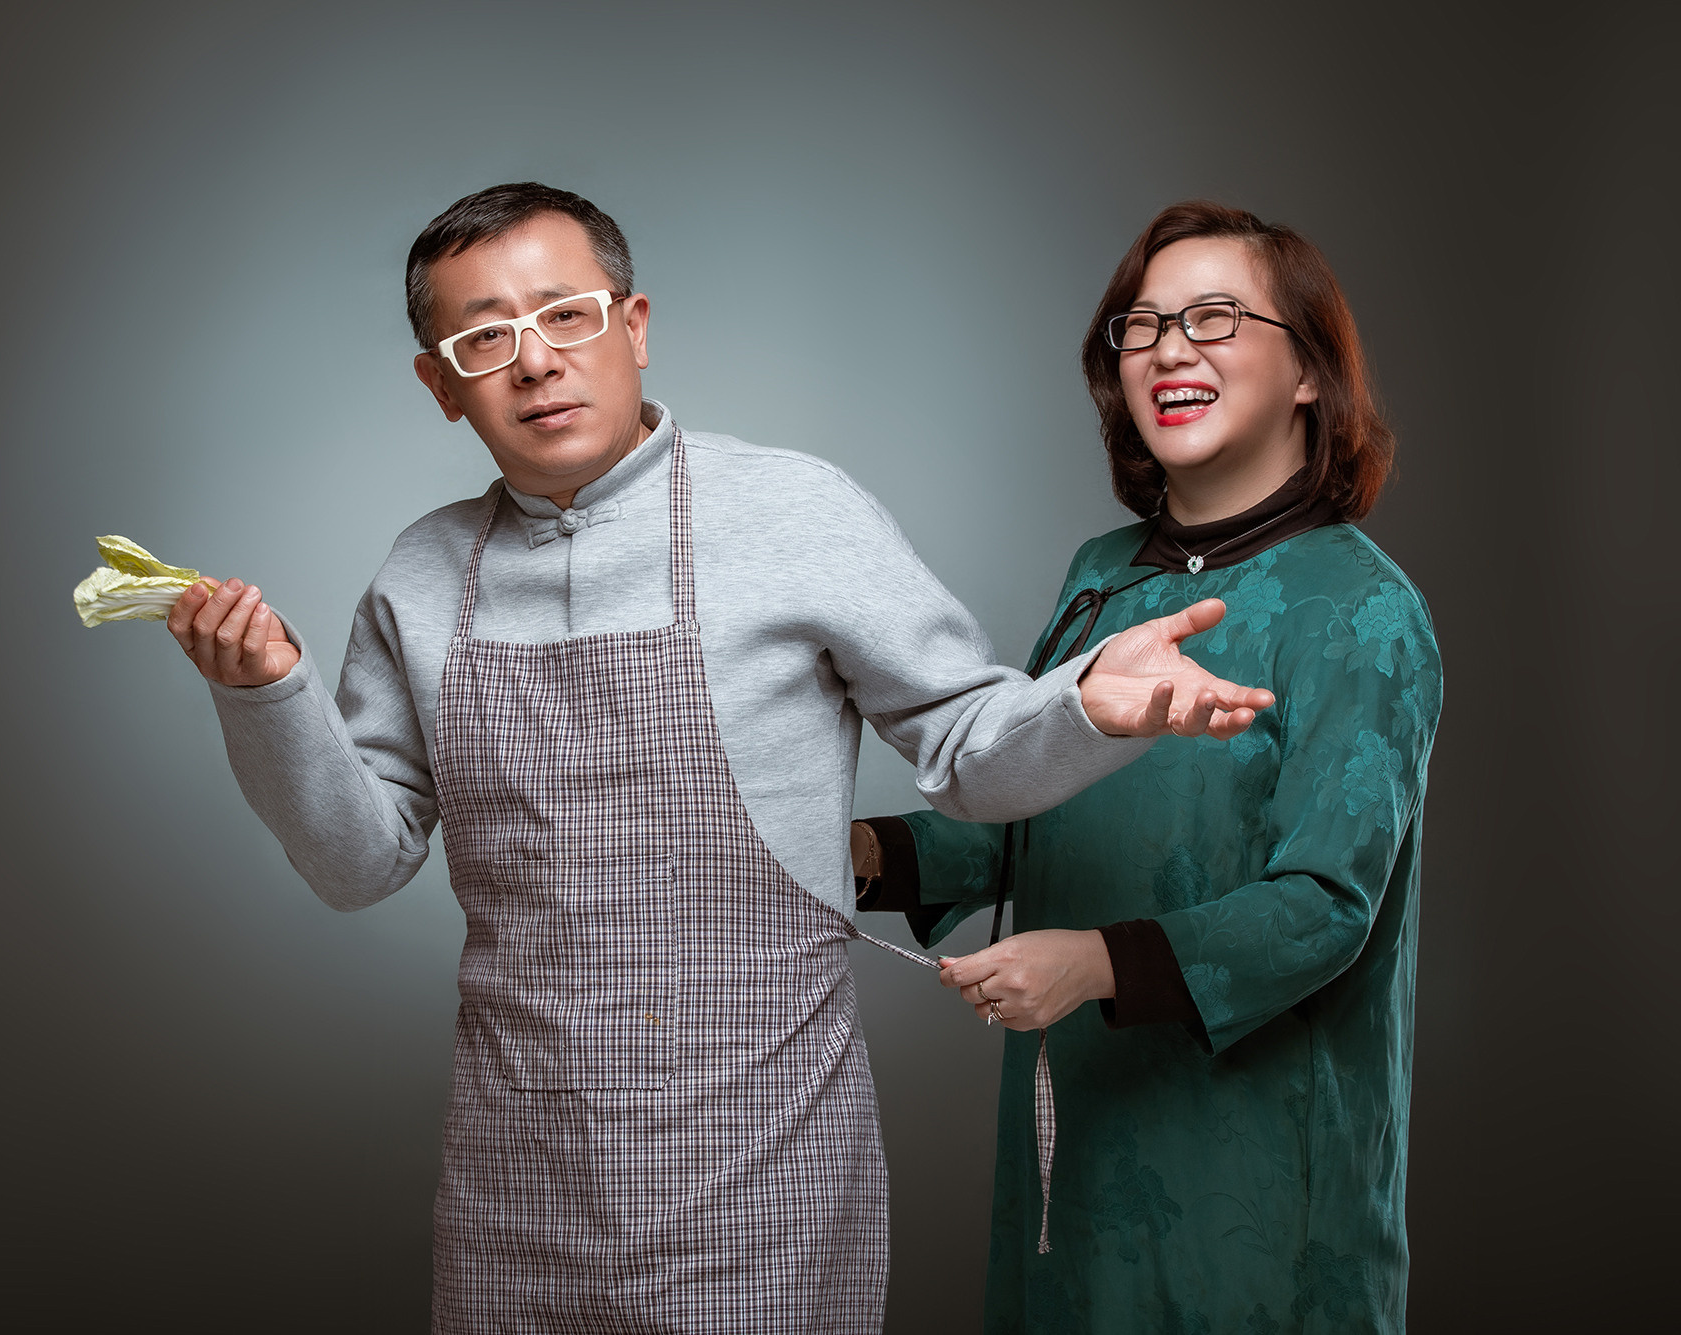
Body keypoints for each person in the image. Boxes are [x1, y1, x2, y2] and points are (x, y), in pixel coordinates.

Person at [163, 183, 1273, 1333]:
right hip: (516, 1177)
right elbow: (360, 862)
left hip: (757, 1169)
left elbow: (964, 752)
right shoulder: (420, 574)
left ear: (632, 325)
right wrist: (266, 696)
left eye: (566, 316)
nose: (535, 362)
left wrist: (1088, 706)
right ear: (439, 385)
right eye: (484, 337)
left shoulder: (793, 512)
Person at [852, 201, 1441, 1332]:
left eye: (1214, 318)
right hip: (1069, 1158)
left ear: (1309, 370)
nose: (1170, 347)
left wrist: (1094, 965)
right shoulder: (1102, 574)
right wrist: (857, 853)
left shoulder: (1360, 609)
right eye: (1142, 325)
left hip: (1259, 1182)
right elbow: (1028, 813)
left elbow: (1324, 906)